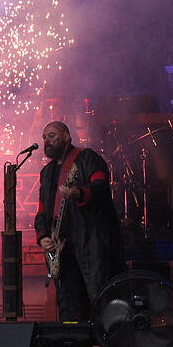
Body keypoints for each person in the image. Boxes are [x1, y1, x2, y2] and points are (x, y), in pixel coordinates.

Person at [34, 121, 125, 321]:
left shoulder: (88, 159)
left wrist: (79, 193)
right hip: (63, 249)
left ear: (67, 136)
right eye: (44, 137)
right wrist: (43, 237)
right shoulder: (47, 173)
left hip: (92, 243)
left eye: (51, 136)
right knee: (69, 304)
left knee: (100, 299)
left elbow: (101, 189)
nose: (46, 141)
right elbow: (42, 210)